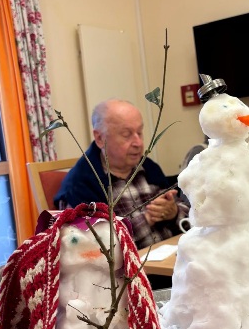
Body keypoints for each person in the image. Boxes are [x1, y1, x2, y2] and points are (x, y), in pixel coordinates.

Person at [54, 99, 189, 251]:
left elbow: (189, 214)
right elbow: (87, 248)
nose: (138, 143)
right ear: (100, 138)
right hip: (134, 265)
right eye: (127, 134)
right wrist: (146, 219)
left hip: (175, 255)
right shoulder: (79, 185)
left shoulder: (148, 167)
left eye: (140, 132)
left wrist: (174, 212)